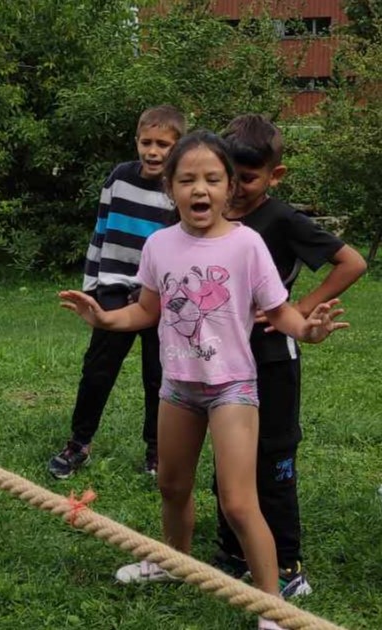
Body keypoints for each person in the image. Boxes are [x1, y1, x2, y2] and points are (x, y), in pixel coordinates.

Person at [59, 130, 347, 630]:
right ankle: (175, 563)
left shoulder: (247, 244)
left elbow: (280, 312)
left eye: (213, 179)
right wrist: (106, 319)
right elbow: (146, 310)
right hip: (178, 386)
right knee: (172, 486)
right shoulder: (159, 245)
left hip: (232, 386)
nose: (200, 189)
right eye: (188, 179)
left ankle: (272, 605)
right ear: (170, 187)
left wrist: (308, 329)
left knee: (238, 502)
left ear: (229, 187)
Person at [212, 114, 366, 597]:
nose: (236, 188)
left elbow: (352, 262)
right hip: (222, 360)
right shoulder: (212, 217)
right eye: (228, 176)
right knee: (228, 457)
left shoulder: (281, 219)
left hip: (273, 360)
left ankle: (286, 565)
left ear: (274, 175)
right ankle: (233, 553)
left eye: (248, 178)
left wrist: (297, 307)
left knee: (273, 459)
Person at [48, 105, 186, 479]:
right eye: (146, 142)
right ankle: (79, 442)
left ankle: (157, 451)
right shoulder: (120, 178)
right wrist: (92, 285)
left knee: (158, 375)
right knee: (98, 369)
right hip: (113, 285)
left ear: (178, 146)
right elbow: (101, 230)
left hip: (159, 295)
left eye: (163, 145)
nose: (153, 151)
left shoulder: (179, 188)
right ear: (136, 141)